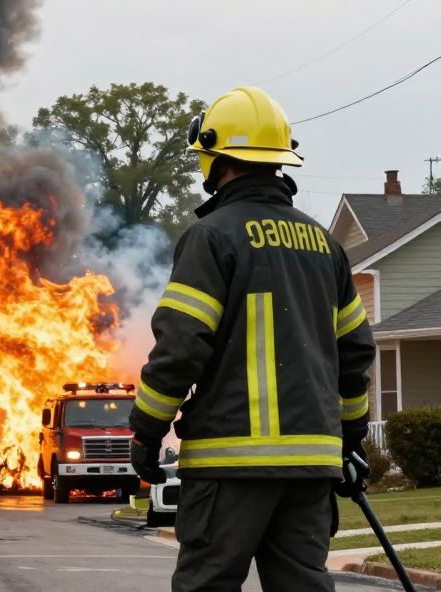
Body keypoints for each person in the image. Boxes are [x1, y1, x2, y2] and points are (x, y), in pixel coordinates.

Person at [128, 86, 376, 592]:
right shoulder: (324, 245)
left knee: (209, 584)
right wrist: (349, 441)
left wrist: (147, 430)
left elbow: (180, 347)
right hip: (311, 468)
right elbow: (354, 353)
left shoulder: (212, 237)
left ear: (216, 159)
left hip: (230, 465)